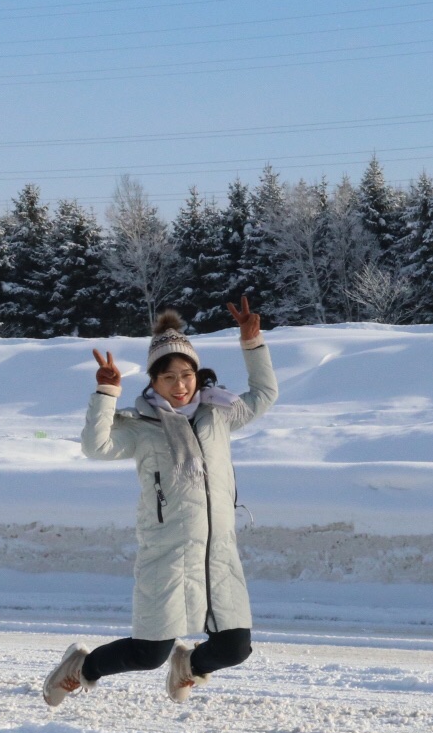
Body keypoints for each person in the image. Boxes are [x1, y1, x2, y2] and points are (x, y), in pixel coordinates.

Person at [43, 297, 277, 705]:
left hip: (217, 554)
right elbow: (96, 445)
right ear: (153, 382)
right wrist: (106, 391)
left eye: (187, 374)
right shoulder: (141, 428)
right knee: (148, 653)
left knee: (235, 648)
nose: (181, 384)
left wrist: (252, 344)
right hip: (166, 555)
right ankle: (80, 667)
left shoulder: (218, 414)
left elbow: (265, 393)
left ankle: (188, 665)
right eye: (169, 376)